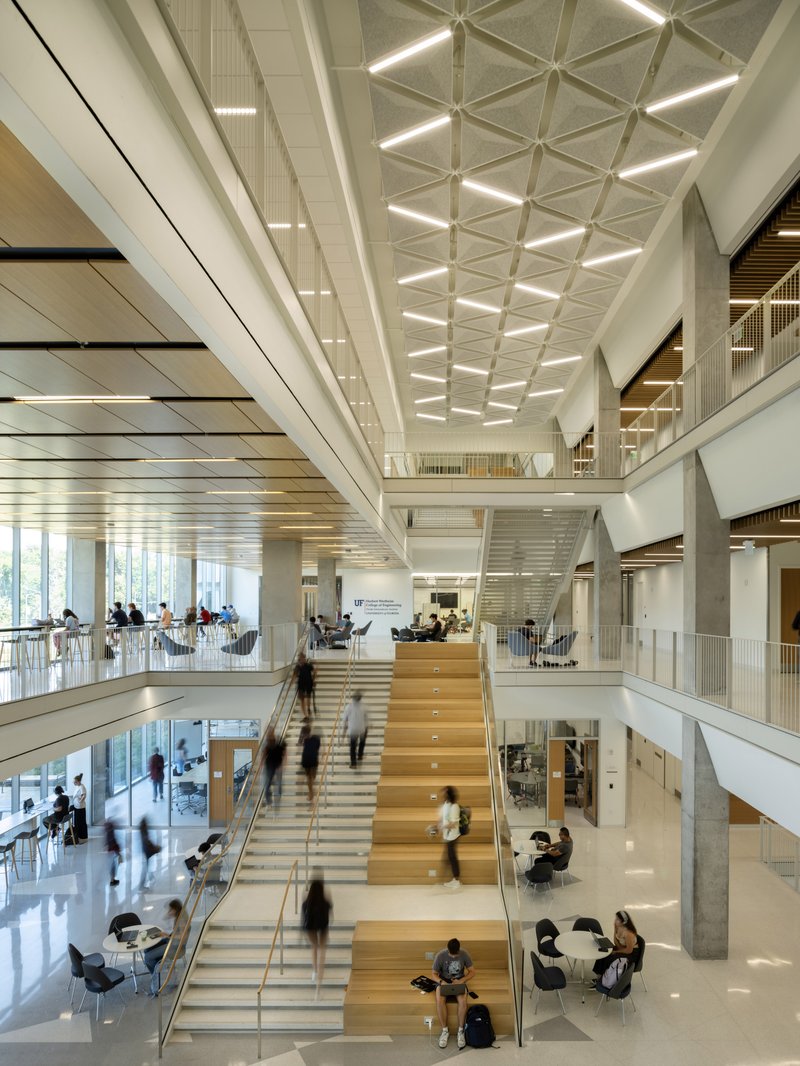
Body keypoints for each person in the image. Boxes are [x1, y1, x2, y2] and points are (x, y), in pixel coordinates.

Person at [431, 936, 475, 1049]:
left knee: (463, 1001)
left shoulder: (464, 954)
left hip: (459, 981)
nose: (454, 957)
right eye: (452, 955)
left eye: (456, 955)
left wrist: (461, 980)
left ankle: (460, 1031)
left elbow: (472, 972)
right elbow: (434, 974)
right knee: (439, 1001)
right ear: (448, 949)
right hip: (444, 981)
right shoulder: (440, 955)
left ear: (459, 949)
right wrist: (441, 982)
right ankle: (445, 1030)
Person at [144, 898, 189, 996]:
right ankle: (156, 975)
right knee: (147, 949)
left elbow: (183, 938)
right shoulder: (179, 914)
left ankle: (156, 983)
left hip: (176, 947)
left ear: (175, 909)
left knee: (148, 958)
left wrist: (167, 935)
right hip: (171, 941)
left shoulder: (181, 919)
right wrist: (170, 914)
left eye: (170, 910)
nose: (169, 912)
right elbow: (165, 918)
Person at [301, 874, 332, 999]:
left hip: (310, 928)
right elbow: (329, 913)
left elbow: (303, 917)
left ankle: (314, 971)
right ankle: (318, 990)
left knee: (314, 946)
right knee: (322, 952)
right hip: (323, 926)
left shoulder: (306, 902)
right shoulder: (324, 902)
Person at [591, 910, 639, 984]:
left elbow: (629, 950)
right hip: (623, 948)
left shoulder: (629, 934)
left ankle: (605, 979)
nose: (615, 921)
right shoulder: (619, 928)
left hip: (631, 954)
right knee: (604, 952)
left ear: (623, 922)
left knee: (610, 958)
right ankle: (599, 976)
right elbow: (616, 944)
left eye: (617, 919)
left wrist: (616, 952)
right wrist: (615, 929)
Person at [440, 786, 462, 889]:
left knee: (452, 858)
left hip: (452, 836)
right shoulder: (446, 804)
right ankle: (454, 878)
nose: (443, 795)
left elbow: (453, 824)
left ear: (449, 795)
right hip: (447, 835)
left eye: (445, 793)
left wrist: (441, 826)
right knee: (449, 857)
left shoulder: (454, 806)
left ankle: (456, 880)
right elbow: (444, 818)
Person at [341, 690, 369, 769]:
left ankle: (353, 763)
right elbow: (366, 718)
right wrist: (367, 727)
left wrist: (343, 732)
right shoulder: (364, 706)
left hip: (352, 730)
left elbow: (344, 720)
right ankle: (360, 756)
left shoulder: (348, 707)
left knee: (352, 747)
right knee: (362, 743)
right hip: (361, 729)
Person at [263, 726, 286, 807]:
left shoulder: (279, 740)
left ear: (273, 732)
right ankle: (269, 801)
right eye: (268, 732)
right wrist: (261, 764)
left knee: (279, 783)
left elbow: (284, 753)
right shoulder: (266, 743)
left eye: (270, 732)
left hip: (278, 765)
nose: (269, 734)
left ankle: (278, 798)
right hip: (269, 765)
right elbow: (264, 754)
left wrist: (283, 764)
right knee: (268, 784)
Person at [299, 719, 321, 803]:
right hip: (311, 759)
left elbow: (300, 744)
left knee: (310, 777)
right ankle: (311, 793)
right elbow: (317, 748)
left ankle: (311, 792)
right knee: (311, 777)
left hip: (308, 759)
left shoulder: (308, 739)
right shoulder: (316, 738)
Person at [139, 815, 161, 890]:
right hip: (147, 851)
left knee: (147, 865)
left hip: (145, 850)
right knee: (146, 867)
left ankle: (151, 877)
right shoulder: (144, 831)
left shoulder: (143, 830)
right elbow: (147, 841)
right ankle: (142, 885)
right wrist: (155, 847)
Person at [294, 651, 316, 718]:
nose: (301, 659)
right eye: (300, 658)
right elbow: (294, 675)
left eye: (302, 658)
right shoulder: (298, 666)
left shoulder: (308, 665)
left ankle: (308, 709)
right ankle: (305, 715)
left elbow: (314, 672)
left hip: (308, 683)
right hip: (301, 684)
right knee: (302, 699)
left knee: (307, 698)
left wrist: (314, 680)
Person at [104, 818, 122, 886]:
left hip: (110, 851)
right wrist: (118, 850)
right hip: (113, 851)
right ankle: (112, 880)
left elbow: (107, 841)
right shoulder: (111, 832)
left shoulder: (108, 831)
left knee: (113, 865)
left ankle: (112, 879)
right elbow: (113, 842)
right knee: (113, 866)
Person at [71, 773, 87, 842]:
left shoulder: (82, 786)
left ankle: (83, 838)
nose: (74, 783)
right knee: (77, 822)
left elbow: (84, 795)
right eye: (74, 782)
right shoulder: (77, 786)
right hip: (76, 806)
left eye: (75, 782)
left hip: (80, 807)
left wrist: (80, 801)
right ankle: (78, 837)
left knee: (81, 822)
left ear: (79, 781)